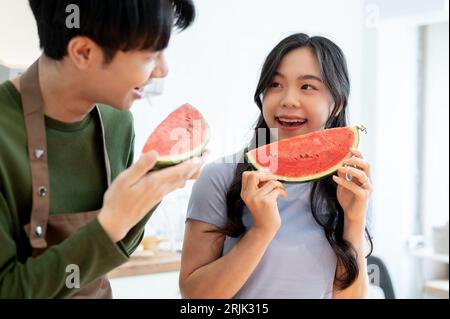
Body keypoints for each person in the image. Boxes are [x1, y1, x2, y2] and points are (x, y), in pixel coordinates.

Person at [0, 0, 204, 298]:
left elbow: (117, 248)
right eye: (150, 55)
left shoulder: (118, 122)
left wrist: (150, 193)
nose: (162, 71)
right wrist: (110, 223)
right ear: (84, 52)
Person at [179, 33, 373, 299]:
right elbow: (194, 297)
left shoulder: (349, 186)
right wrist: (262, 230)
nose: (288, 100)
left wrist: (354, 219)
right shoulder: (219, 178)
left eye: (307, 87)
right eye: (275, 84)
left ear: (337, 102)